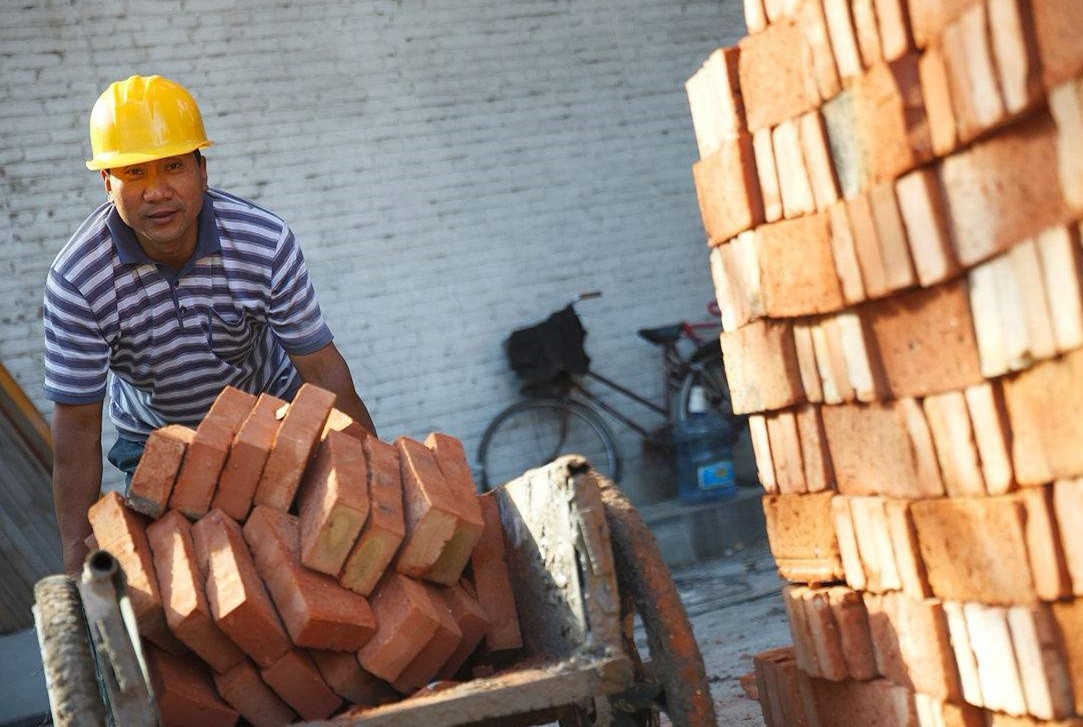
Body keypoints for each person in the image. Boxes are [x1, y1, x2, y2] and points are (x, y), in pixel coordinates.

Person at [43, 75, 377, 576]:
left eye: (174, 165)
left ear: (202, 168)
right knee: (190, 586)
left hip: (269, 419)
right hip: (158, 438)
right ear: (106, 182)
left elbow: (322, 370)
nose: (157, 191)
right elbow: (78, 425)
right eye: (134, 172)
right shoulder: (78, 281)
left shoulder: (263, 242)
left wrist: (375, 471)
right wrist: (75, 550)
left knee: (308, 561)